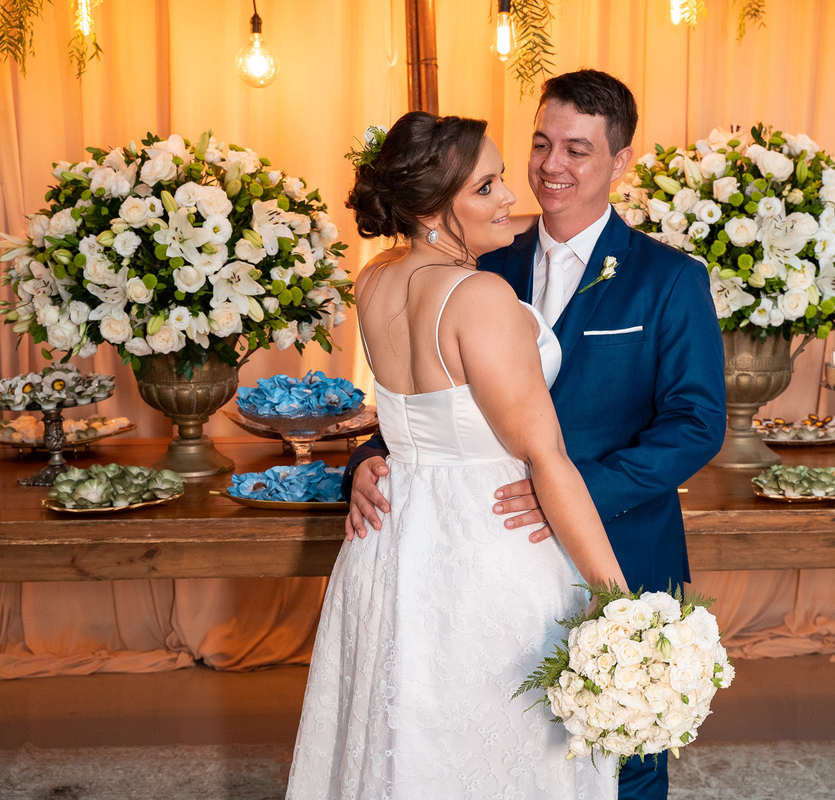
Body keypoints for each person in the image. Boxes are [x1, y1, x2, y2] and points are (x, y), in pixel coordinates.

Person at [345, 70, 726, 800]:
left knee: (626, 749)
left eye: (578, 150)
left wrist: (568, 493)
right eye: (542, 143)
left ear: (620, 161)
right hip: (476, 556)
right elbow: (420, 398)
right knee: (482, 746)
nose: (551, 167)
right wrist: (368, 458)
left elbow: (697, 422)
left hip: (613, 536)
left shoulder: (669, 278)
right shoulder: (478, 256)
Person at [286, 111, 626, 798]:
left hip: (393, 538)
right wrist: (619, 603)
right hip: (488, 542)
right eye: (487, 188)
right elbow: (546, 457)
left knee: (401, 731)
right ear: (434, 210)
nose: (510, 198)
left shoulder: (375, 279)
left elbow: (405, 413)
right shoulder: (480, 295)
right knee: (507, 742)